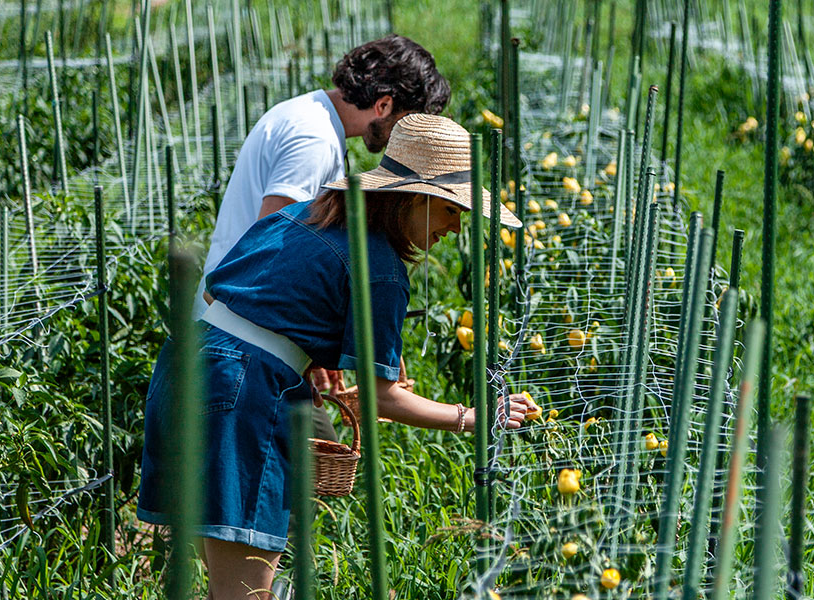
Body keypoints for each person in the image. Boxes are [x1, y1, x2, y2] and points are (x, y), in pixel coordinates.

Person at [138, 114, 528, 599]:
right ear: (415, 198)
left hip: (183, 367)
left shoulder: (306, 213)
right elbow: (381, 398)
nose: (455, 227)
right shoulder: (380, 266)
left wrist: (299, 352)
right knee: (245, 590)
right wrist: (472, 418)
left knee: (222, 576)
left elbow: (218, 294)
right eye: (451, 210)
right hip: (241, 395)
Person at [192, 34, 451, 417]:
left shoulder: (310, 115)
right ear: (383, 105)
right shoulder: (314, 142)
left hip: (235, 333)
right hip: (241, 347)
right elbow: (274, 256)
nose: (404, 142)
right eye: (406, 125)